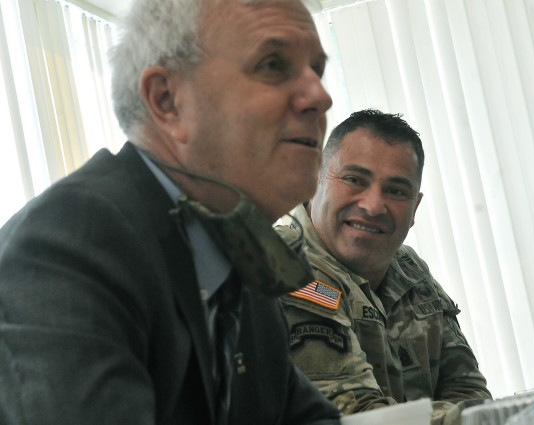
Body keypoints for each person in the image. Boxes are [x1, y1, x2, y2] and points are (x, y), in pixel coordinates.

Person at [0, 0, 340, 424]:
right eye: (273, 65)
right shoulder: (69, 240)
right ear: (167, 101)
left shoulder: (242, 261)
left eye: (317, 70)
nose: (321, 97)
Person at [278, 109, 492, 424]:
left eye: (396, 191)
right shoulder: (286, 266)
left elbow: (468, 392)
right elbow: (356, 416)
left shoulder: (408, 267)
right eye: (354, 180)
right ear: (313, 180)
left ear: (415, 207)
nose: (373, 205)